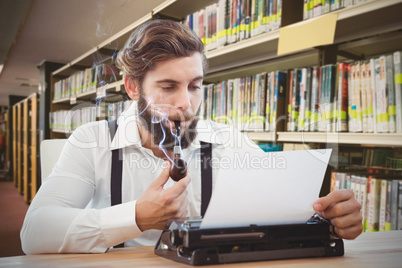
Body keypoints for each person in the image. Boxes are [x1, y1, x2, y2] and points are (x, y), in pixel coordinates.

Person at [20, 19, 362, 254]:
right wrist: (135, 217)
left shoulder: (228, 141)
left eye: (195, 87)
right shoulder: (89, 141)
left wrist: (330, 222)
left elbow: (288, 213)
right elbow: (34, 233)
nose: (186, 103)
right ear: (132, 87)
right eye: (168, 87)